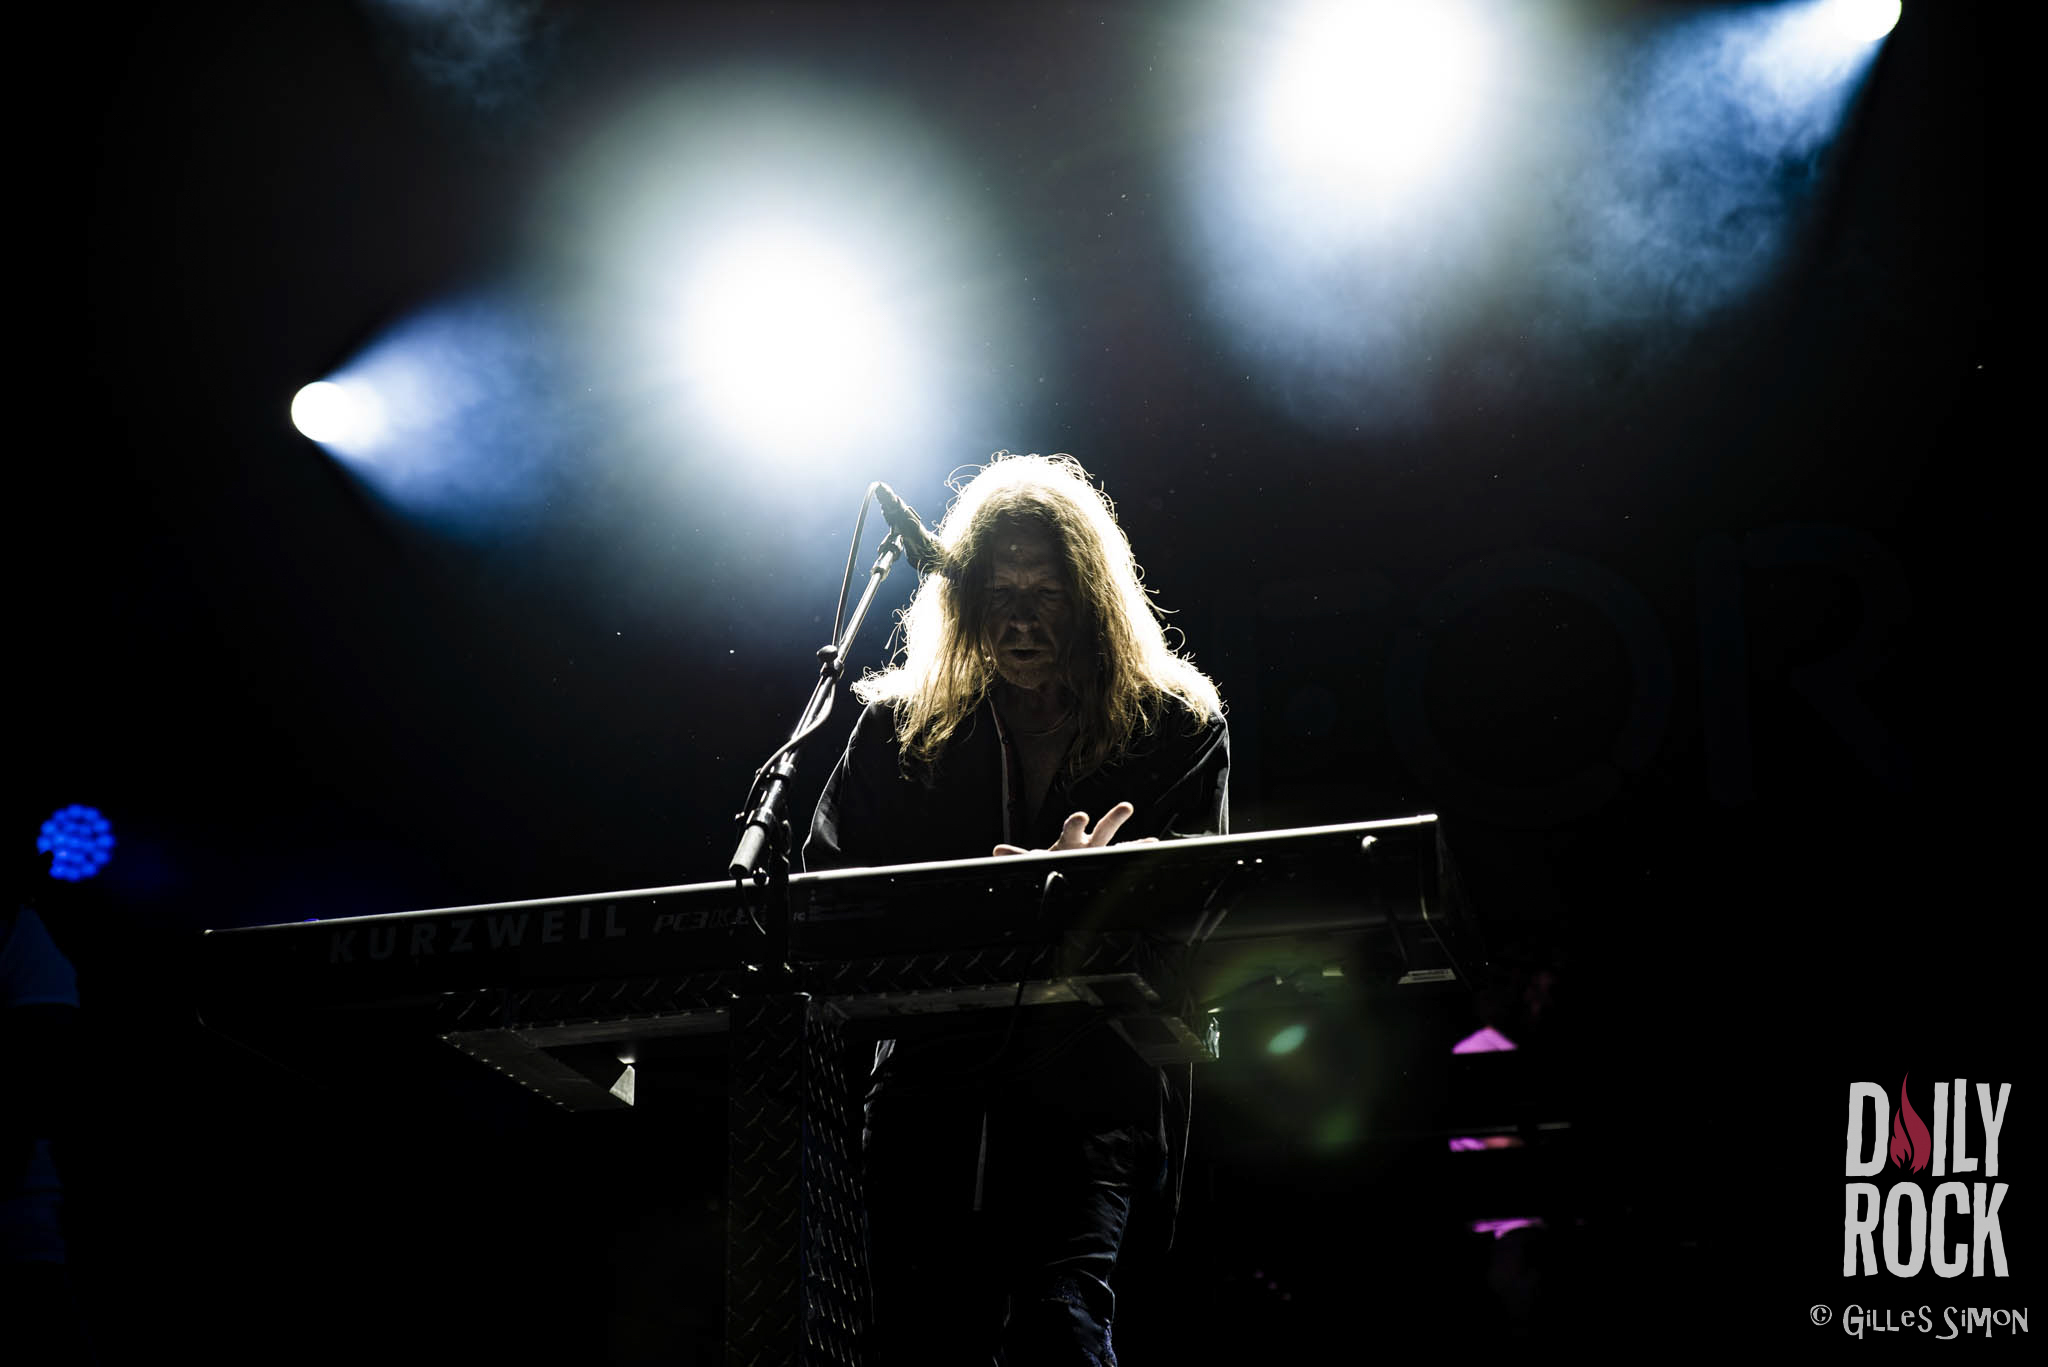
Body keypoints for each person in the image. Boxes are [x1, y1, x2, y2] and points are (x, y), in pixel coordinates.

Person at [806, 451, 1227, 1365]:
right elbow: (831, 892)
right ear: (962, 599)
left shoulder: (1175, 728)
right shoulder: (897, 731)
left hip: (1088, 1092)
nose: (1020, 619)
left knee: (1060, 1326)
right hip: (928, 1092)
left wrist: (1093, 897)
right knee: (920, 1340)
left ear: (1093, 602)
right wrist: (1013, 903)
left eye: (1045, 594)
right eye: (999, 593)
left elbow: (1193, 910)